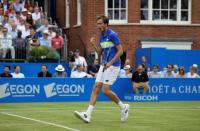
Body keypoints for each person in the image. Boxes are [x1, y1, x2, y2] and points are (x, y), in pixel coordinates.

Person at [74, 15, 129, 123]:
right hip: (104, 65)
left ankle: (123, 107)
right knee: (96, 87)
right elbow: (100, 52)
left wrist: (110, 62)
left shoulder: (113, 35)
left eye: (100, 23)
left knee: (105, 90)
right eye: (97, 23)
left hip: (113, 66)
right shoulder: (101, 36)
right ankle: (87, 115)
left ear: (105, 24)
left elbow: (121, 51)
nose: (98, 25)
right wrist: (93, 44)